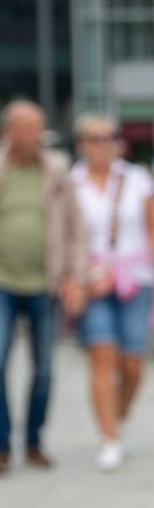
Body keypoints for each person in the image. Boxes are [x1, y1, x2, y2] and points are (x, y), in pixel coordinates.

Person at [71, 115, 154, 472]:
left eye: (110, 137)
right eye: (95, 138)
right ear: (81, 143)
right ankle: (109, 437)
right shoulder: (72, 183)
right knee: (102, 354)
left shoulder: (137, 179)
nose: (103, 144)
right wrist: (74, 278)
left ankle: (118, 416)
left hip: (137, 276)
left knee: (132, 364)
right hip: (93, 280)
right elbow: (66, 237)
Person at [0, 101, 85, 472]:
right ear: (10, 132)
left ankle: (34, 441)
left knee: (45, 369)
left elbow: (76, 229)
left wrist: (74, 276)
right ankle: (2, 445)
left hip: (44, 284)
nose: (38, 134)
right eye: (30, 127)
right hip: (2, 282)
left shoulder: (57, 170)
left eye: (41, 126)